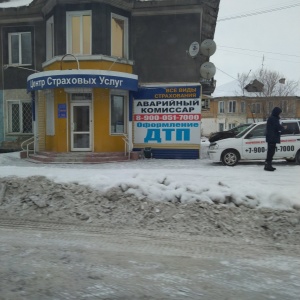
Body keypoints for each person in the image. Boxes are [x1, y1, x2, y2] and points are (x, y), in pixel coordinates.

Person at [264, 107, 285, 171]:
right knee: (271, 152)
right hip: (272, 138)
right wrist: (283, 127)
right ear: (277, 113)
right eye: (279, 113)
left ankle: (268, 165)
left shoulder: (271, 118)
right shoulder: (274, 119)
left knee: (270, 152)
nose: (280, 114)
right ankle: (268, 166)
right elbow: (277, 127)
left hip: (271, 137)